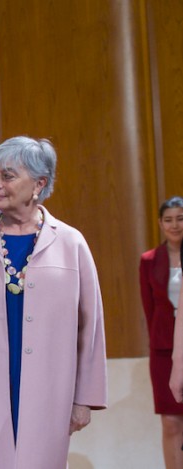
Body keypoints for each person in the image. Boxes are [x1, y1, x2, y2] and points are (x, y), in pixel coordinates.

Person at [0, 136, 107, 469]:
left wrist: (84, 398)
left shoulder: (71, 243)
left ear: (39, 183)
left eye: (7, 176)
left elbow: (91, 328)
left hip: (51, 392)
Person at [141, 196, 183, 468]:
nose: (175, 225)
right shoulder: (149, 260)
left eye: (180, 218)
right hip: (164, 350)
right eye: (168, 220)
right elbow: (149, 308)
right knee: (170, 421)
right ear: (160, 223)